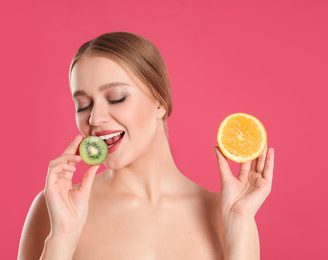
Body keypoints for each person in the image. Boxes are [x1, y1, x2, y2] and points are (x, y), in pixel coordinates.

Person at [17, 32, 274, 260]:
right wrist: (62, 237)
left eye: (116, 98)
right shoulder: (58, 208)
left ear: (160, 102)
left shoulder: (227, 215)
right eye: (83, 105)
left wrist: (239, 223)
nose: (94, 119)